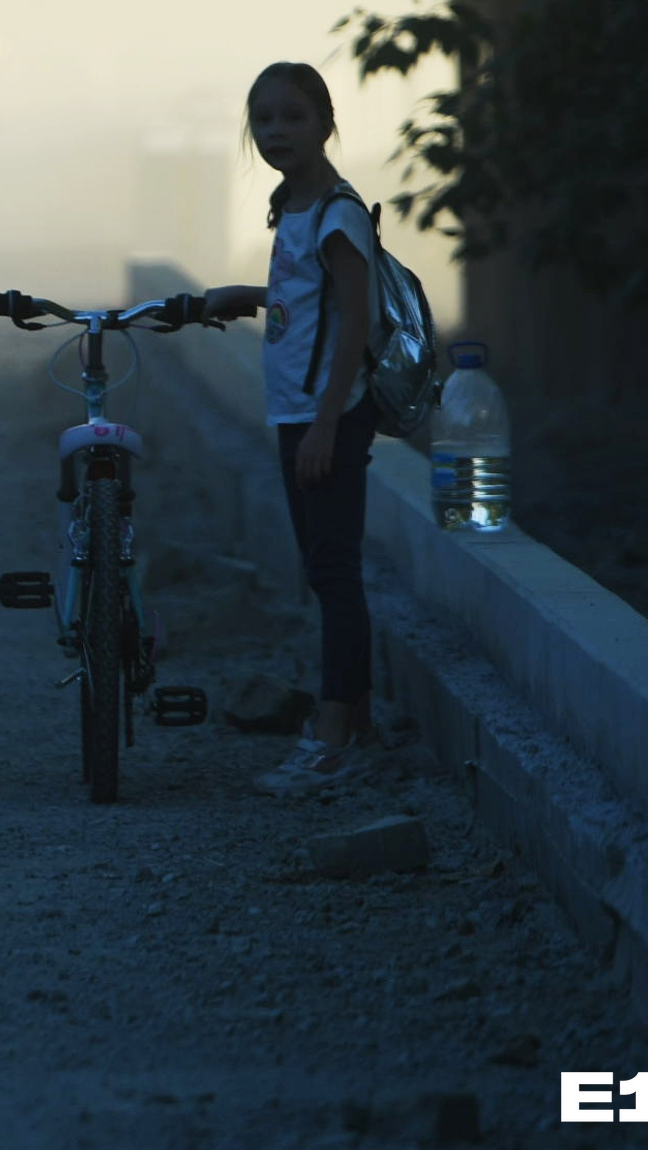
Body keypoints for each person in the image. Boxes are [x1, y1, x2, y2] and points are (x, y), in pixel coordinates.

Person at [203, 61, 379, 794]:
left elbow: (355, 326)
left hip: (323, 416)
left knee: (333, 573)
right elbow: (308, 303)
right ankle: (349, 724)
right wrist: (247, 294)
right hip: (297, 412)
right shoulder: (294, 208)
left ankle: (333, 740)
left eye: (292, 116)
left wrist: (324, 428)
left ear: (325, 122)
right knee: (320, 569)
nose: (275, 130)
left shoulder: (337, 213)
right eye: (262, 118)